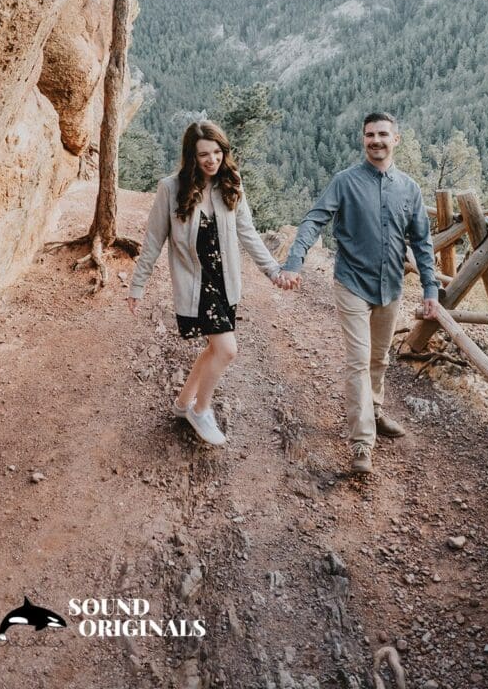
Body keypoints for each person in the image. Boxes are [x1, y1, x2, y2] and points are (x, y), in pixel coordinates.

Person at [279, 112, 439, 474]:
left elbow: (422, 242)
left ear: (396, 139)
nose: (376, 140)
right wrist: (294, 262)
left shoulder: (409, 188)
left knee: (379, 359)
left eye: (383, 134)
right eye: (370, 134)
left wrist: (430, 288)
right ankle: (362, 443)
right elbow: (314, 220)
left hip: (391, 286)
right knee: (358, 360)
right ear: (363, 139)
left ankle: (375, 411)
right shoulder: (345, 182)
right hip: (351, 283)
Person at [126, 121, 283, 446]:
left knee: (214, 348)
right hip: (196, 285)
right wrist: (137, 285)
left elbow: (248, 233)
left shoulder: (231, 183)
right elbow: (153, 240)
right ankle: (201, 410)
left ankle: (183, 403)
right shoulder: (171, 189)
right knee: (227, 350)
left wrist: (273, 270)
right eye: (203, 155)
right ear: (191, 157)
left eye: (216, 152)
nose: (212, 160)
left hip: (225, 283)